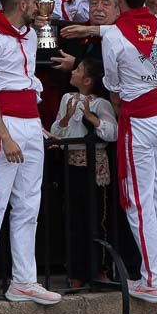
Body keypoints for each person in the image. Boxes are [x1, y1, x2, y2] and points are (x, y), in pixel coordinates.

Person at [0, 0, 60, 309]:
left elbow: (28, 81)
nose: (37, 7)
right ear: (23, 5)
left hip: (30, 124)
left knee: (28, 205)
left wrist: (37, 127)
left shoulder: (30, 35)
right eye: (34, 2)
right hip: (4, 126)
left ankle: (24, 280)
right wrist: (5, 136)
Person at [99, 0, 157, 302]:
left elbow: (112, 81)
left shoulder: (115, 35)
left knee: (138, 200)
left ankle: (152, 278)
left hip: (140, 120)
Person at [48, 57, 116, 288]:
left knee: (98, 218)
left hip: (95, 169)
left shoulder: (101, 103)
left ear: (87, 80)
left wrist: (91, 118)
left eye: (77, 70)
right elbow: (57, 132)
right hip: (73, 167)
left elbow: (111, 133)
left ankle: (101, 268)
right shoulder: (67, 98)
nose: (73, 72)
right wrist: (67, 117)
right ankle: (76, 271)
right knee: (74, 220)